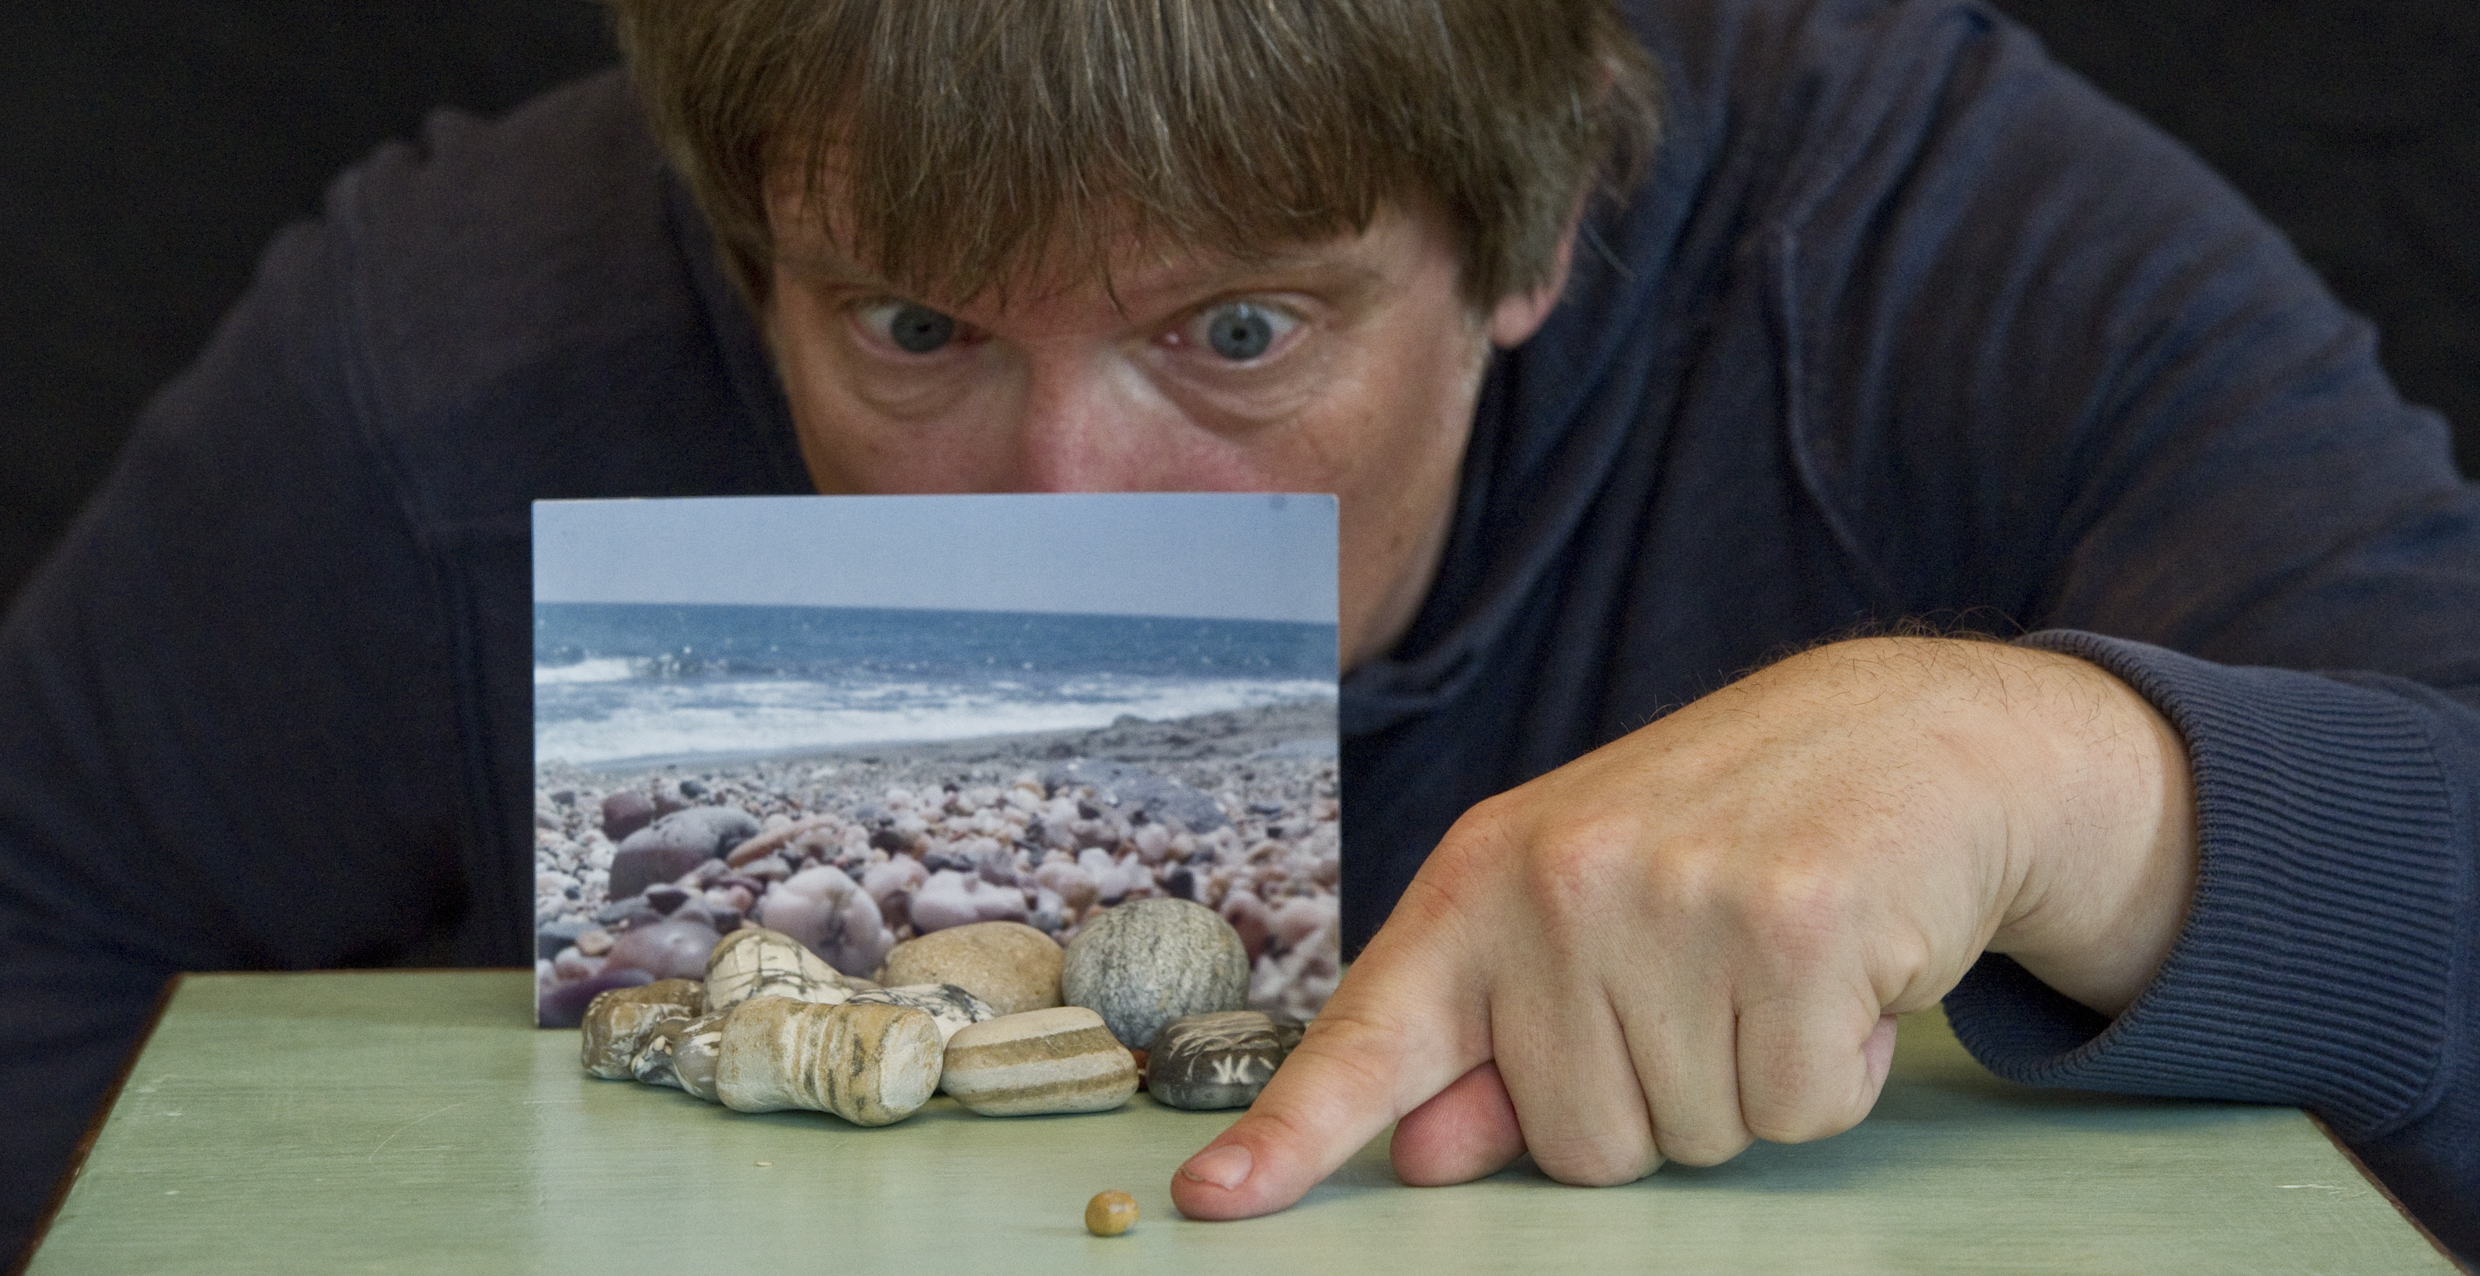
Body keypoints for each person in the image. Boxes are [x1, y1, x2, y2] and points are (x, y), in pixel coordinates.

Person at [2, 0, 2473, 1260]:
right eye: (911, 330)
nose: (1061, 503)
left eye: (1240, 334)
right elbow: (38, 935)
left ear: (1534, 234)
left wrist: (2062, 772)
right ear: (744, 242)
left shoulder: (1918, 254)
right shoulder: (446, 369)